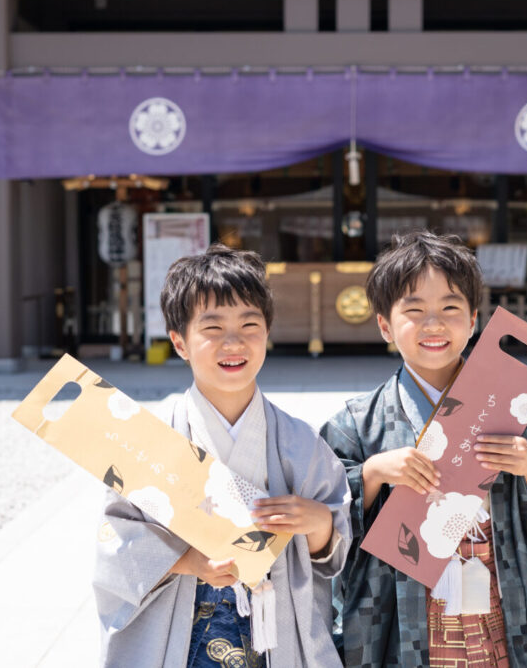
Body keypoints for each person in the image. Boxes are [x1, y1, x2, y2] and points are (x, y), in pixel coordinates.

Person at [320, 231, 527, 668]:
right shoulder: (356, 423)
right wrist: (370, 475)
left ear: (475, 318)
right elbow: (322, 517)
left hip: (501, 601)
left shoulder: (514, 408)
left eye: (450, 308)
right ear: (384, 324)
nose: (434, 324)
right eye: (414, 310)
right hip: (406, 618)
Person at [94, 245, 352, 668]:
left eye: (250, 324)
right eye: (212, 328)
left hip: (276, 629)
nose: (233, 342)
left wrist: (320, 524)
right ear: (179, 341)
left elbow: (333, 551)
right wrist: (188, 561)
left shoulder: (298, 441)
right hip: (183, 628)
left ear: (267, 333)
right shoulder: (152, 438)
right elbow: (116, 541)